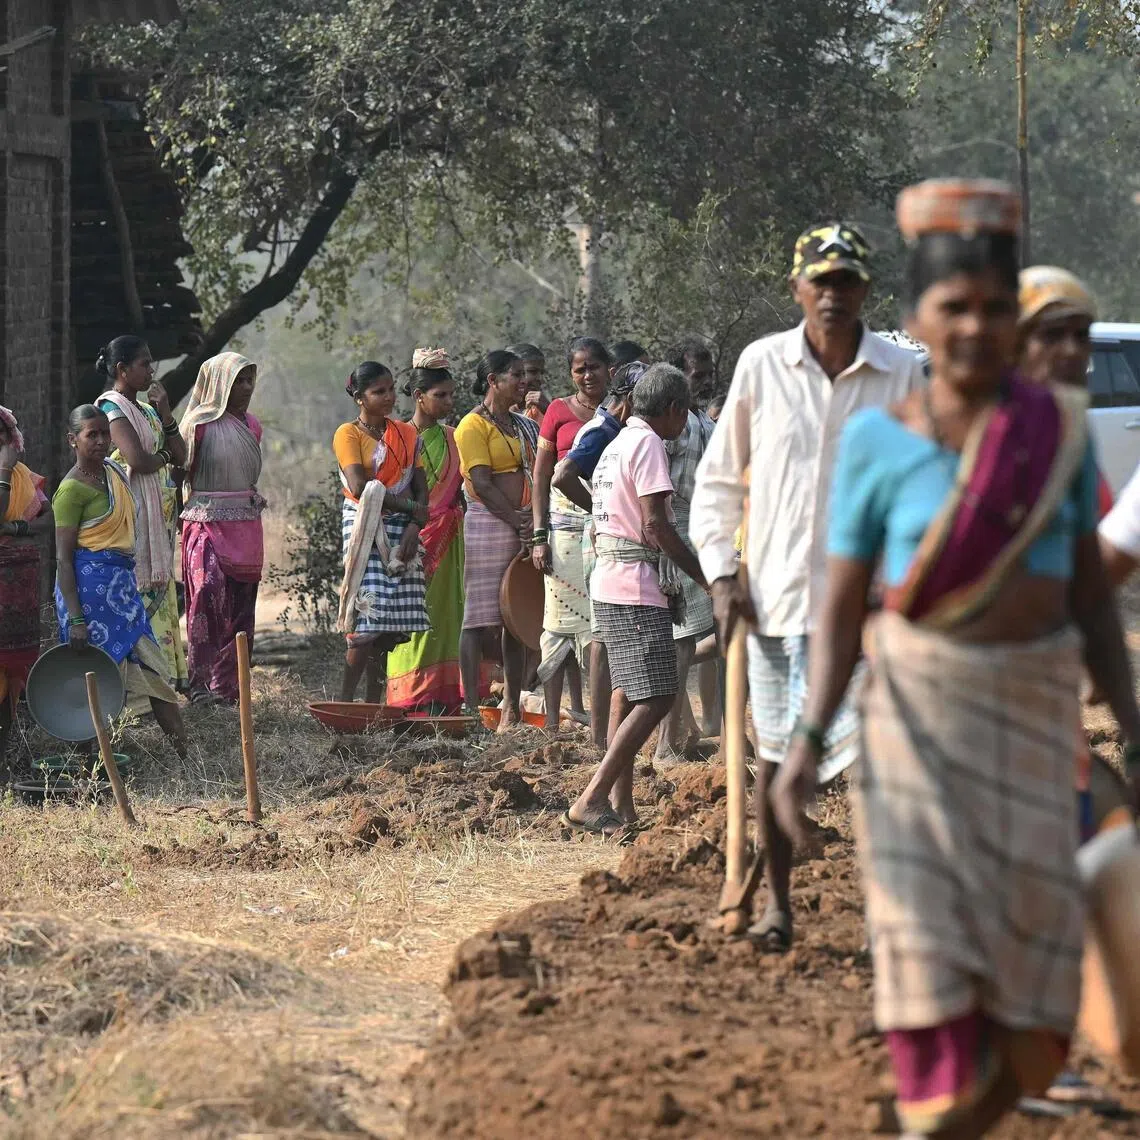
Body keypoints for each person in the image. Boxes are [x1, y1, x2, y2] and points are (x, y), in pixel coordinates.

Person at [772, 179, 1140, 1139]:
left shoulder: (1055, 436)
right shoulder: (878, 447)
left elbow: (1094, 601)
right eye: (953, 309)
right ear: (916, 321)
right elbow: (843, 606)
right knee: (931, 963)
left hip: (1031, 725)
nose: (974, 327)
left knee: (1031, 1020)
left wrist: (1132, 726)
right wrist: (808, 739)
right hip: (913, 738)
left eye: (992, 308)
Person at [691, 219, 925, 951]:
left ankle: (884, 912)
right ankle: (779, 905)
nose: (834, 295)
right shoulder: (762, 367)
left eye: (847, 282)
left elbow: (921, 488)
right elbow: (719, 484)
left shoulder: (900, 374)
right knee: (775, 761)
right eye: (821, 282)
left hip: (869, 611)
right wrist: (723, 577)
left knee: (872, 769)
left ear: (866, 290)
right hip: (777, 602)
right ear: (797, 290)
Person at [564, 364, 706, 834]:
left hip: (612, 579)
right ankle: (593, 796)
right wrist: (704, 577)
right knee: (660, 693)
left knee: (629, 690)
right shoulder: (646, 444)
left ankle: (623, 807)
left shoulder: (620, 440)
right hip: (634, 585)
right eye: (684, 414)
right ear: (673, 410)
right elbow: (656, 525)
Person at [54, 405, 187, 753]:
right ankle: (91, 774)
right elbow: (63, 561)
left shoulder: (114, 473)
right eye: (91, 435)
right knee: (92, 684)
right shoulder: (71, 491)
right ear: (73, 440)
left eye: (104, 433)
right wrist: (77, 619)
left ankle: (187, 759)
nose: (100, 441)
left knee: (156, 672)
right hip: (89, 598)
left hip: (124, 595)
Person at [550, 360, 647, 748]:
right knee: (601, 636)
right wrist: (600, 510)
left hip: (606, 533)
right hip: (601, 537)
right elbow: (561, 475)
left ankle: (606, 729)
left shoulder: (613, 427)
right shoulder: (603, 431)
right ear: (628, 399)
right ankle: (598, 734)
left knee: (606, 634)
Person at [96, 336, 188, 696]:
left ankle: (159, 689)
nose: (152, 370)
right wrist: (163, 457)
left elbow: (180, 452)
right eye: (145, 364)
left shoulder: (148, 411)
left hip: (157, 522)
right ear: (122, 369)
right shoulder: (109, 409)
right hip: (130, 519)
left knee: (160, 596)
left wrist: (165, 413)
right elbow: (139, 460)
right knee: (134, 595)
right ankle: (135, 693)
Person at [334, 362, 429, 702]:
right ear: (360, 398)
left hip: (402, 531)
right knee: (367, 620)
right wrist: (409, 509)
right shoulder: (348, 433)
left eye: (391, 389)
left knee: (388, 627)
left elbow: (421, 490)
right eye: (379, 391)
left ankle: (375, 707)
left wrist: (415, 526)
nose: (389, 397)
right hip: (364, 527)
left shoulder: (406, 433)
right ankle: (345, 704)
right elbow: (361, 488)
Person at [455, 349, 539, 730]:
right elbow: (483, 484)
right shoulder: (471, 425)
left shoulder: (522, 424)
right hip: (489, 524)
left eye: (524, 375)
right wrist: (517, 521)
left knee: (515, 618)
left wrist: (529, 523)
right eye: (515, 375)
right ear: (492, 381)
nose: (524, 382)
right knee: (478, 619)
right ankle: (470, 709)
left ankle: (511, 707)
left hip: (521, 523)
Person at [177, 352, 266, 706]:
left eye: (248, 380)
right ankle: (199, 683)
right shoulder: (196, 426)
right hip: (205, 521)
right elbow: (179, 473)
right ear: (218, 384)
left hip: (246, 524)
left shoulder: (252, 426)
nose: (245, 388)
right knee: (206, 594)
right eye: (237, 381)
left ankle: (229, 689)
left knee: (242, 609)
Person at [531, 337, 610, 729]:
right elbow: (543, 476)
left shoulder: (618, 412)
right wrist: (538, 535)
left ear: (608, 368)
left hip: (607, 528)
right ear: (570, 374)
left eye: (594, 366)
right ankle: (551, 722)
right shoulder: (558, 412)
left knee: (604, 621)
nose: (587, 374)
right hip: (562, 531)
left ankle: (602, 720)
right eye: (579, 368)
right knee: (558, 622)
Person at [386, 349, 468, 713]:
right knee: (412, 617)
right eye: (441, 396)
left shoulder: (454, 437)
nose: (449, 402)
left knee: (447, 616)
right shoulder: (399, 437)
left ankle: (447, 696)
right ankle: (411, 697)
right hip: (411, 540)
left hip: (450, 542)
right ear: (419, 397)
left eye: (451, 394)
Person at [656, 338, 719, 759]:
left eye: (707, 373)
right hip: (676, 531)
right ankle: (666, 743)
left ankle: (685, 729)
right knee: (680, 640)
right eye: (696, 375)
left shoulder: (702, 421)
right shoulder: (669, 424)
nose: (704, 381)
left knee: (706, 632)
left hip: (703, 527)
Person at [1018, 265, 1113, 517]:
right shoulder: (971, 432)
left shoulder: (1074, 442)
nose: (1072, 350)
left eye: (1082, 336)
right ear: (1013, 345)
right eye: (1052, 335)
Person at [0, 407, 50, 777]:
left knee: (12, 673)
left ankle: (7, 757)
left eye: (1, 438)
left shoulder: (22, 476)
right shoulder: (8, 475)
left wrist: (17, 529)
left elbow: (48, 518)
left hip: (19, 589)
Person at [508, 343, 550, 424]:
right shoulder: (487, 415)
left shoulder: (543, 410)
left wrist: (549, 411)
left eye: (541, 373)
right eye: (532, 371)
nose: (540, 379)